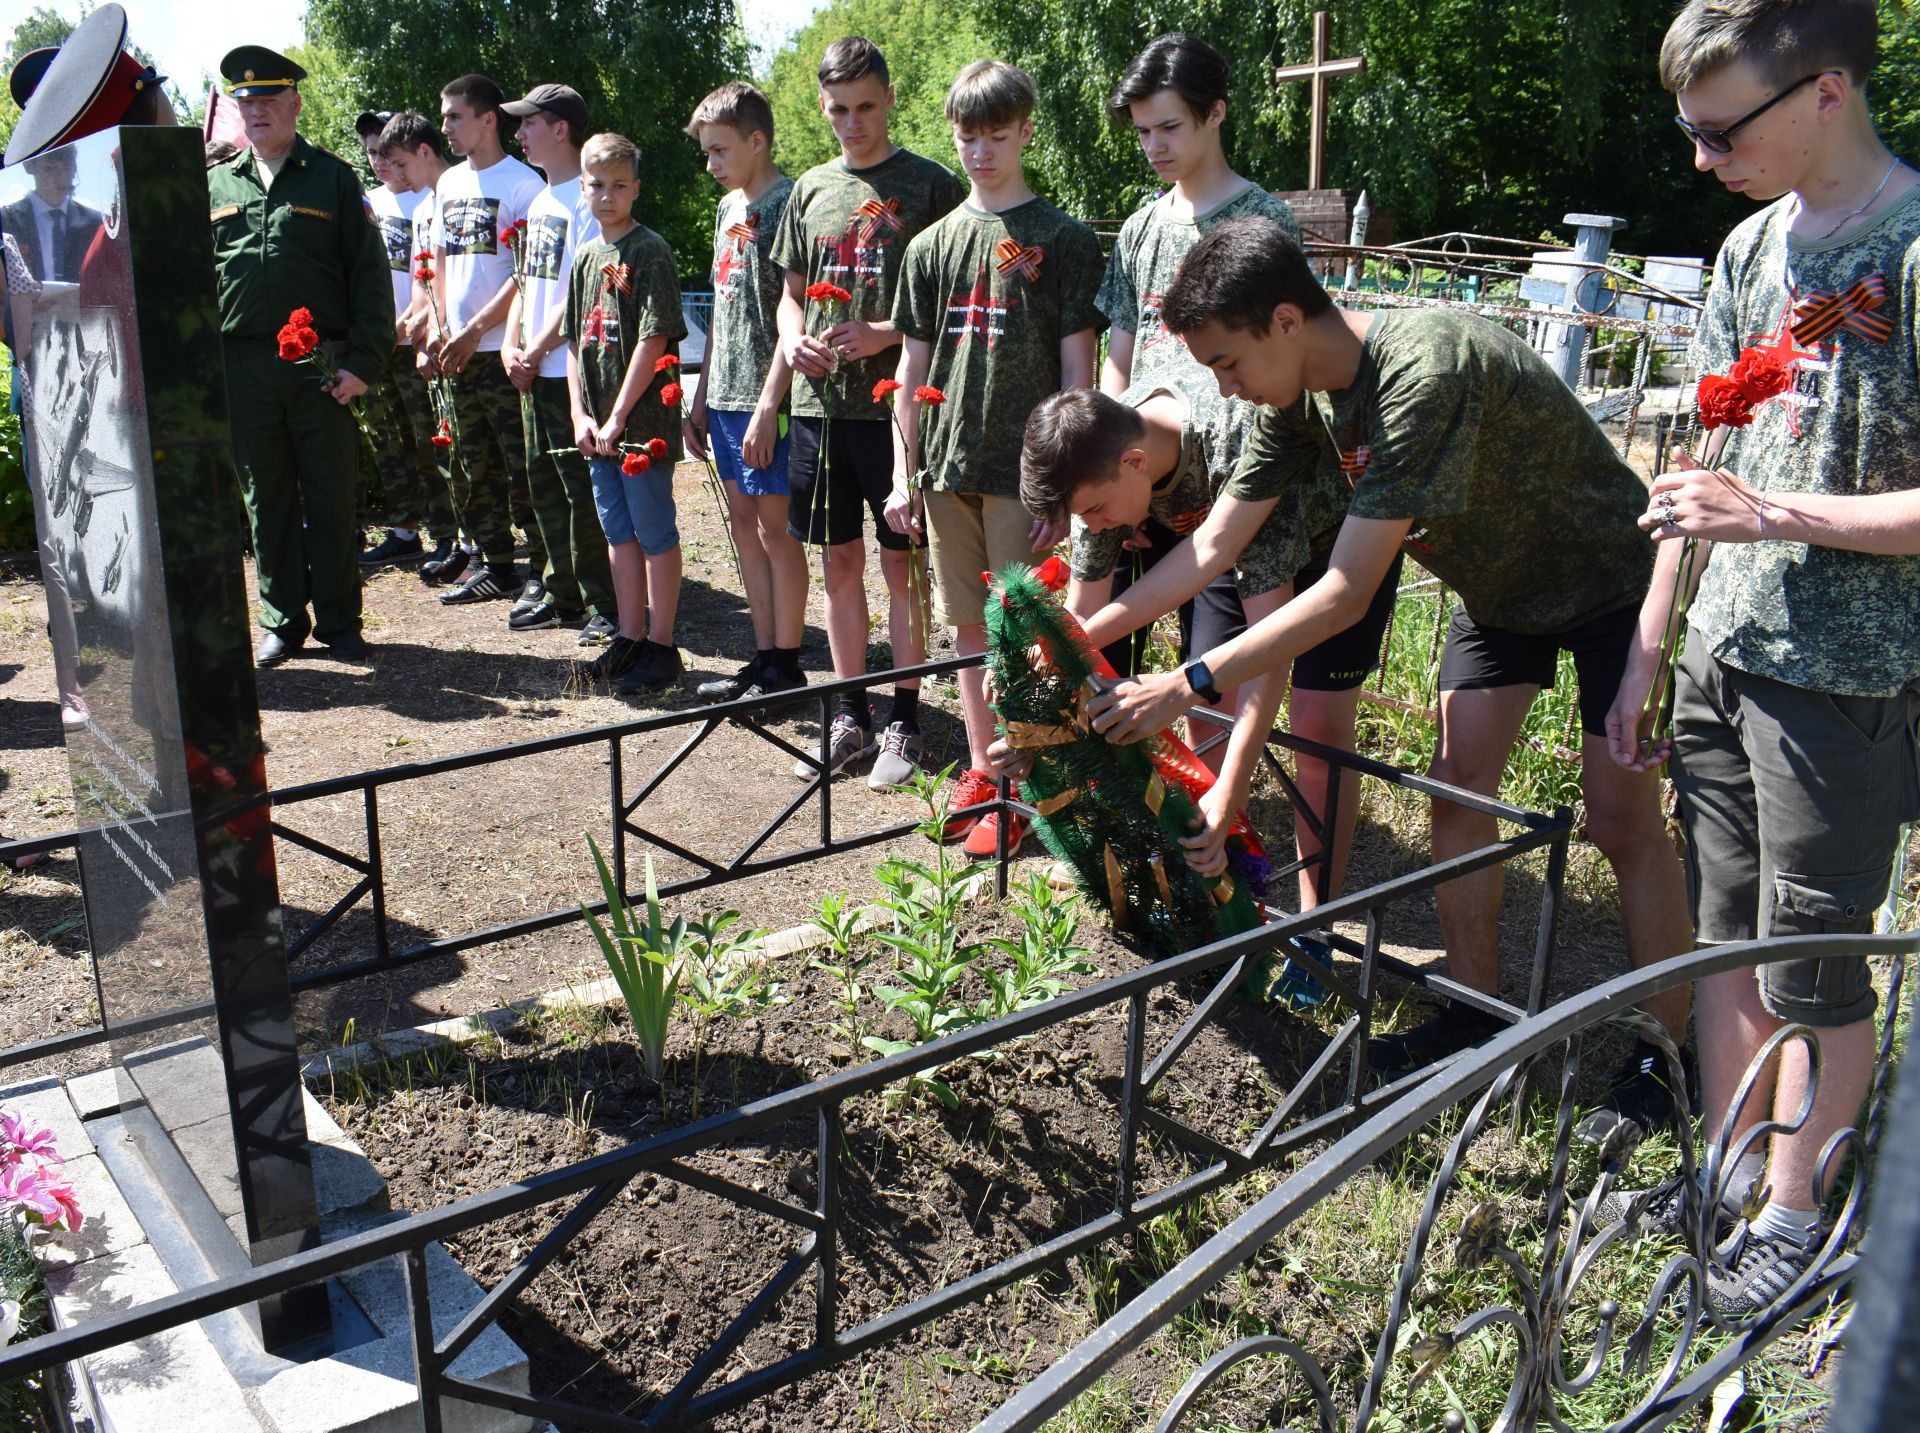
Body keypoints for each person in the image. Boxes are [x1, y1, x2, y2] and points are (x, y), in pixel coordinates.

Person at [1077, 218, 1695, 1090]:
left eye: (1226, 362)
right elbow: (1214, 543)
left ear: (1286, 321)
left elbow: (1346, 592)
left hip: (1605, 583)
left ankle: (1660, 1054)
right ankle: (1477, 1021)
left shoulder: (1420, 370)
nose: (1224, 385)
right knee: (1456, 790)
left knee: (1620, 820)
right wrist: (1077, 639)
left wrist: (1189, 681)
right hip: (1500, 594)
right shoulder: (1294, 399)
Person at [1603, 0, 1920, 1316]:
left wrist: (1776, 516)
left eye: (1722, 128)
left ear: (1828, 90)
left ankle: (1802, 1209)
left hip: (1842, 679)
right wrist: (1647, 646)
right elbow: (1708, 458)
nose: (1700, 157)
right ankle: (1736, 1169)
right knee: (1724, 941)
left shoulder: (1909, 245)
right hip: (1725, 655)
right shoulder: (1746, 251)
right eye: (1691, 129)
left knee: (1816, 957)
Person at [1018, 378, 1400, 912]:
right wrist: (1035, 694)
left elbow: (1271, 651)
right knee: (1208, 712)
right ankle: (1224, 886)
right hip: (1225, 548)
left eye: (1097, 512)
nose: (1095, 526)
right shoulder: (1093, 456)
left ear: (1134, 463)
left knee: (1318, 729)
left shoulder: (1237, 445)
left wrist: (1233, 789)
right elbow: (1084, 618)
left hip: (1339, 546)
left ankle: (1318, 924)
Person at [886, 60, 1104, 851]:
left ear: (1027, 132)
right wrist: (902, 472)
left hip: (1025, 477)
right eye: (967, 135)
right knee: (969, 634)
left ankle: (1037, 790)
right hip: (945, 469)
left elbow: (1078, 372)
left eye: (998, 135)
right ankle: (986, 769)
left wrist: (1066, 484)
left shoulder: (1064, 240)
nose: (981, 151)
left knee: (1029, 636)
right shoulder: (930, 247)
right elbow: (911, 368)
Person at [770, 36, 965, 780]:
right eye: (838, 110)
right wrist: (793, 346)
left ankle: (906, 721)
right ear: (823, 107)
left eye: (866, 107)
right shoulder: (809, 189)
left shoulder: (931, 186)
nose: (853, 123)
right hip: (820, 409)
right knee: (839, 562)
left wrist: (885, 332)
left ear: (888, 102)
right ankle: (850, 712)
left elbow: (960, 300)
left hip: (898, 413)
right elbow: (789, 296)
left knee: (900, 566)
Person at [1093, 33, 1300, 717]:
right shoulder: (1140, 227)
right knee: (1097, 671)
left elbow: (1277, 361)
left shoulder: (1265, 222)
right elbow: (1119, 353)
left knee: (1210, 685)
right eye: (1144, 131)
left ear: (1216, 112)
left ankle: (1211, 817)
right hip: (1137, 473)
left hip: (1226, 490)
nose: (1154, 146)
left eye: (1170, 127)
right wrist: (1118, 475)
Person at [206, 45, 392, 667]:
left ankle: (341, 619)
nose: (255, 112)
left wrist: (362, 364)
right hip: (244, 367)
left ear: (294, 103)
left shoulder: (334, 178)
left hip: (319, 366)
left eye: (267, 100)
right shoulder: (214, 184)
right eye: (246, 102)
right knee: (267, 497)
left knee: (332, 492)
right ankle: (283, 619)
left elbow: (369, 279)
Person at [683, 81, 809, 708]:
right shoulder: (727, 208)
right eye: (704, 152)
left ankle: (788, 664)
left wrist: (769, 406)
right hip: (725, 393)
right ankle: (762, 660)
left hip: (770, 399)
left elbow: (795, 315)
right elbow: (723, 313)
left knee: (775, 531)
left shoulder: (791, 202)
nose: (710, 164)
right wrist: (700, 394)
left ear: (756, 141)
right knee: (742, 526)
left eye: (719, 150)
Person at [563, 132, 689, 694]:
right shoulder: (587, 255)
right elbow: (573, 342)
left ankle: (662, 646)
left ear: (636, 189)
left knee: (653, 531)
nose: (607, 195)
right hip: (597, 431)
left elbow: (654, 337)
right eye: (596, 185)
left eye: (619, 185)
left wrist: (617, 417)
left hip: (641, 431)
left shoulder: (650, 250)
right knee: (618, 534)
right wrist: (580, 416)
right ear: (583, 189)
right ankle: (629, 636)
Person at [501, 83, 619, 641]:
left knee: (582, 492)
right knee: (542, 483)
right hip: (531, 365)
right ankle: (560, 591)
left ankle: (604, 603)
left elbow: (586, 294)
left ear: (561, 129)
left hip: (567, 370)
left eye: (529, 123)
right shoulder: (541, 198)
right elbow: (525, 283)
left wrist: (540, 347)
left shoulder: (586, 197)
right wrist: (509, 344)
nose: (519, 133)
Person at [428, 73, 546, 610]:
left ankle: (543, 569)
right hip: (457, 352)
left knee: (522, 463)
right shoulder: (449, 183)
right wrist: (438, 325)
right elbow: (441, 262)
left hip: (503, 351)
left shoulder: (525, 185)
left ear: (487, 119)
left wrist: (477, 330)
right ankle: (497, 565)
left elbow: (525, 272)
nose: (447, 127)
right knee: (473, 464)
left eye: (455, 117)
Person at [357, 106, 454, 567]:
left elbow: (430, 279)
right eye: (372, 152)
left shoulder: (431, 196)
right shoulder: (367, 203)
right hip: (376, 345)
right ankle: (403, 529)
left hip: (416, 340)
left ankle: (447, 531)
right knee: (387, 440)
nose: (380, 162)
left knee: (428, 438)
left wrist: (408, 330)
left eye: (387, 152)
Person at [377, 110, 467, 580]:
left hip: (467, 345)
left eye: (400, 164)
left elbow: (460, 281)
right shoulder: (424, 206)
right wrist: (416, 336)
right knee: (443, 447)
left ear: (425, 153)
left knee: (469, 452)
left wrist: (430, 331)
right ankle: (461, 539)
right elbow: (423, 280)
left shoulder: (458, 193)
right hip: (432, 346)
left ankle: (478, 544)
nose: (394, 175)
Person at [1, 149, 104, 284]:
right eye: (50, 167)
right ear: (29, 167)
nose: (61, 176)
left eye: (67, 167)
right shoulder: (5, 219)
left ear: (75, 170)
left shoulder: (97, 223)